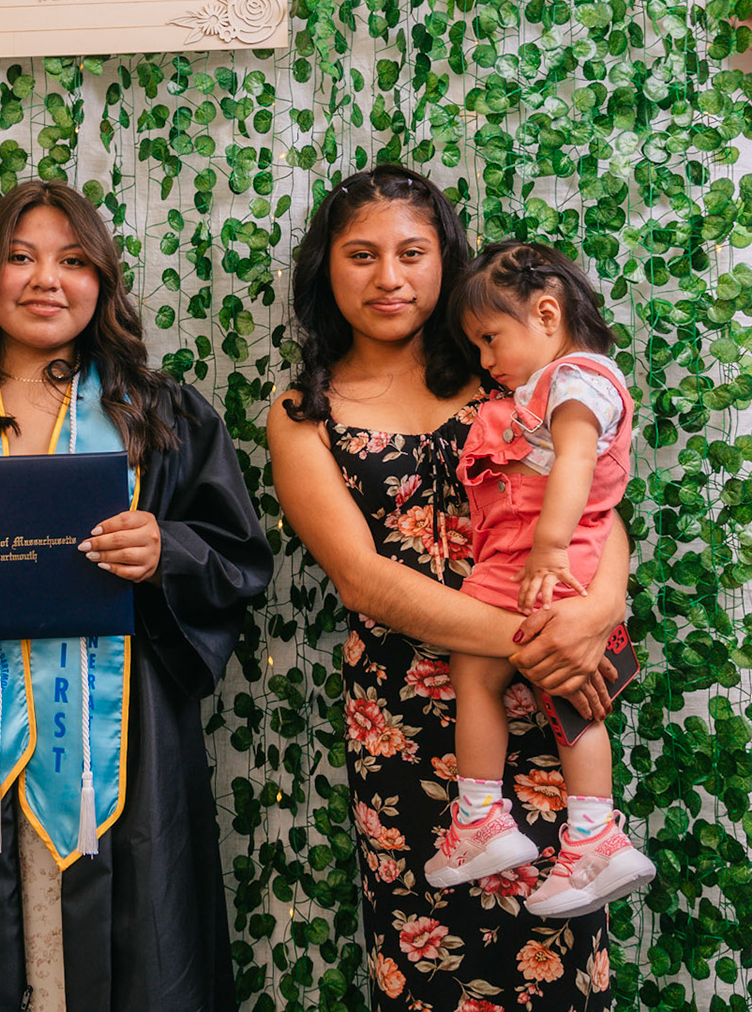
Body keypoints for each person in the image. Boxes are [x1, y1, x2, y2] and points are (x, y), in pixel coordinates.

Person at [0, 179, 271, 1012]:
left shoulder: (160, 415)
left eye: (72, 261)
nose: (45, 280)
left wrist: (166, 550)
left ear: (101, 280)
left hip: (126, 744)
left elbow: (238, 559)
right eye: (19, 257)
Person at [266, 165, 627, 1010]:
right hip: (403, 722)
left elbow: (597, 504)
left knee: (560, 960)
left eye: (412, 253)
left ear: (446, 260)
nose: (388, 278)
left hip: (548, 704)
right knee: (429, 969)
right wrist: (537, 644)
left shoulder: (510, 372)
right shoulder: (304, 411)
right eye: (361, 255)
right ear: (326, 268)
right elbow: (363, 580)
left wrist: (597, 615)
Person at [429, 241, 655, 915]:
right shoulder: (560, 383)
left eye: (491, 339)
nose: (486, 360)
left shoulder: (575, 380)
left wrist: (549, 549)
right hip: (548, 557)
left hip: (535, 558)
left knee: (481, 674)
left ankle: (485, 818)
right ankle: (591, 834)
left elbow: (578, 464)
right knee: (568, 695)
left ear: (548, 314)